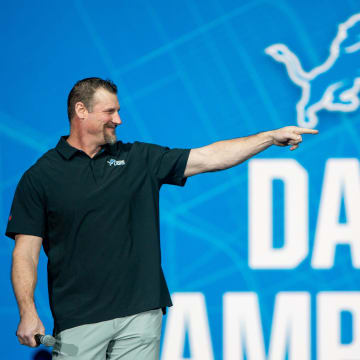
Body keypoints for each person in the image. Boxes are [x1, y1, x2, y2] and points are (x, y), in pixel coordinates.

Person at [6, 77, 318, 359]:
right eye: (109, 112)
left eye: (118, 111)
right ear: (81, 110)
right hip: (79, 320)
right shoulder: (41, 177)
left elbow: (210, 157)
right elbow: (26, 252)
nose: (119, 119)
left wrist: (268, 137)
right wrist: (28, 310)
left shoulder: (138, 158)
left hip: (141, 313)